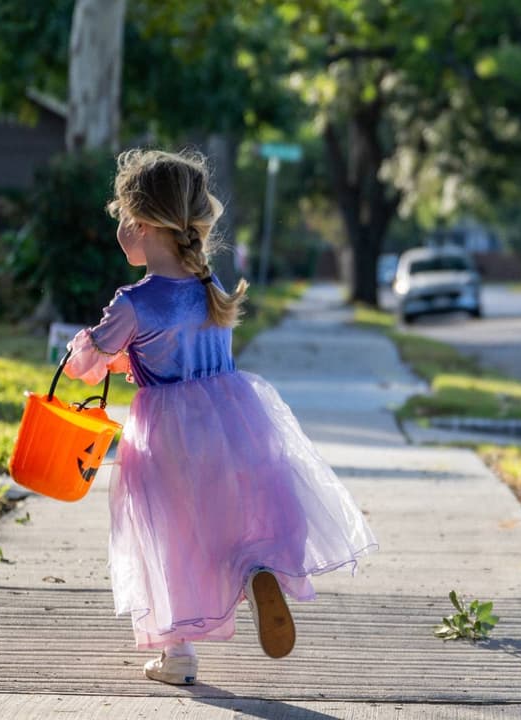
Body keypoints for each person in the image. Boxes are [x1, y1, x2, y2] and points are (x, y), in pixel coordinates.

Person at [63, 149, 377, 686]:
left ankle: (177, 654)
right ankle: (258, 571)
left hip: (165, 438)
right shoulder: (210, 288)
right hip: (232, 422)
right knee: (232, 520)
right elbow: (180, 348)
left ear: (140, 226)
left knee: (170, 536)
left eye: (121, 217)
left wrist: (82, 350)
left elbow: (87, 368)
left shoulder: (134, 302)